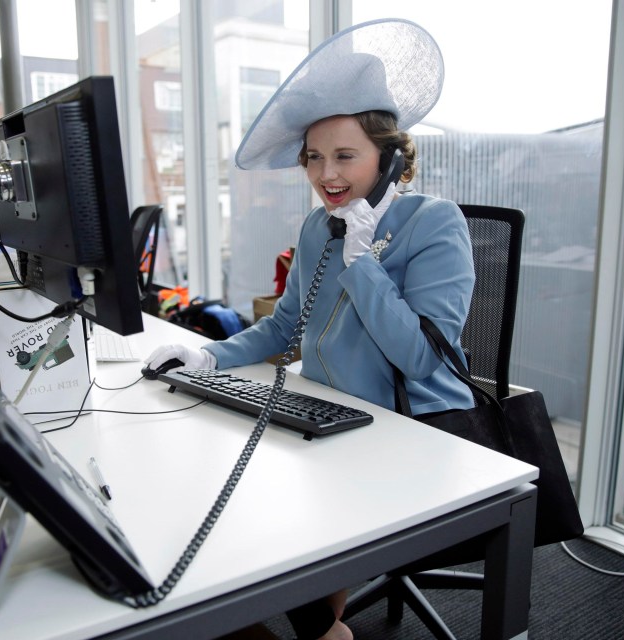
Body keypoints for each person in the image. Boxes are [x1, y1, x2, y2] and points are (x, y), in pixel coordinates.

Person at [146, 19, 473, 640]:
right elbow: (283, 329)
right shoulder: (315, 227)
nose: (326, 174)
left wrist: (363, 263)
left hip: (411, 430)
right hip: (327, 412)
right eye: (314, 158)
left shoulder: (435, 224)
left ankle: (323, 628)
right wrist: (207, 358)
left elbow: (421, 359)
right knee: (219, 499)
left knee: (273, 521)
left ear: (391, 157)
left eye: (345, 156)